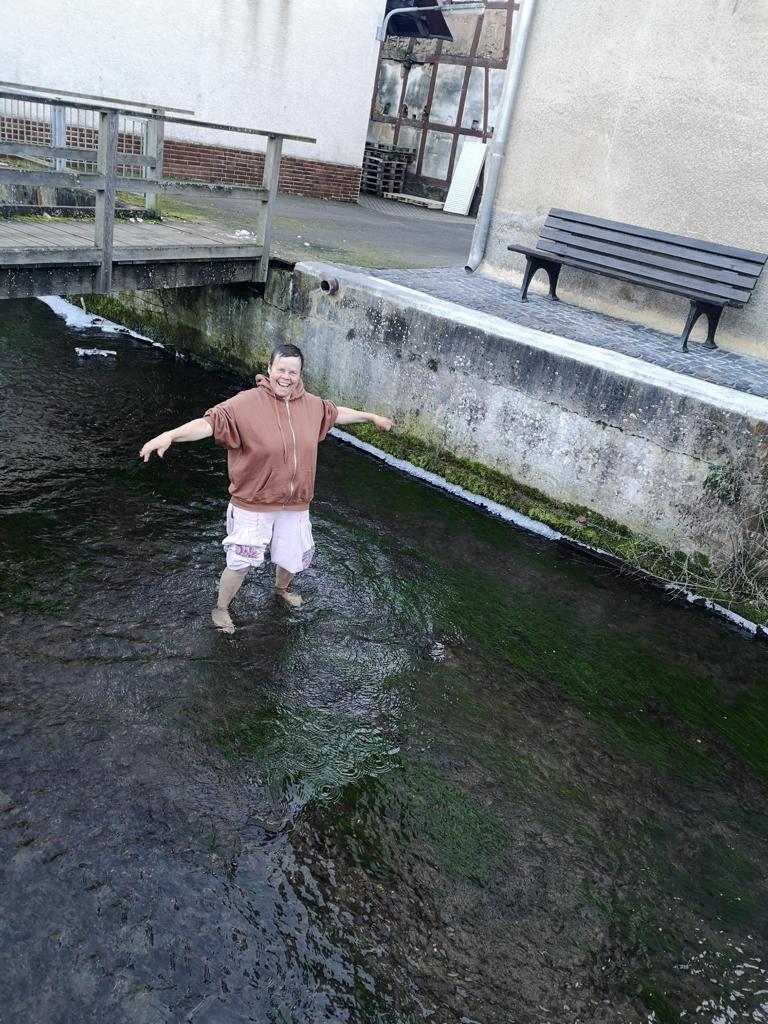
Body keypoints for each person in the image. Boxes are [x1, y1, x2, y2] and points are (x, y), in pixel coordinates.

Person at [139, 344, 392, 632]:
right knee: (240, 563)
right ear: (269, 369)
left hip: (295, 502)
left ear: (299, 374)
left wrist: (370, 417)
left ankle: (280, 590)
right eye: (281, 370)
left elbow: (335, 413)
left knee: (292, 555)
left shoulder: (311, 405)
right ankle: (221, 608)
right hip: (253, 501)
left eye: (292, 372)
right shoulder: (245, 404)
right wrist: (170, 435)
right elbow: (208, 424)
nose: (286, 377)